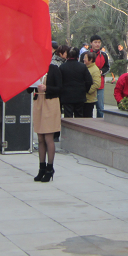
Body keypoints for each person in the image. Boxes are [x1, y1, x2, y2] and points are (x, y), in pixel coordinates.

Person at [33, 45, 66, 183]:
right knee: (40, 138)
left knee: (48, 138)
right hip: (39, 102)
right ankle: (41, 168)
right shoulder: (35, 70)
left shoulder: (54, 69)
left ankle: (50, 168)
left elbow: (60, 88)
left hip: (50, 103)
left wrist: (47, 88)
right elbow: (29, 89)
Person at [79, 35, 109, 118]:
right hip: (87, 86)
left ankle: (100, 123)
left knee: (100, 107)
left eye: (99, 42)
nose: (97, 44)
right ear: (91, 43)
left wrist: (102, 71)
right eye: (95, 42)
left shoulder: (104, 55)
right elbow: (80, 67)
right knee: (87, 108)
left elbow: (107, 67)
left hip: (99, 85)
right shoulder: (84, 55)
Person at [60, 47, 93, 118]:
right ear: (78, 56)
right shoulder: (82, 67)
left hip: (66, 96)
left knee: (68, 116)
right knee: (79, 116)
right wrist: (85, 90)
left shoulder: (62, 67)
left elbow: (59, 81)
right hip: (80, 95)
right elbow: (89, 81)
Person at [83, 51, 101, 118]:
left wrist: (88, 91)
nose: (83, 59)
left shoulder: (95, 70)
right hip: (83, 98)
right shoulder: (85, 67)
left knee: (87, 117)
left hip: (89, 99)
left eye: (85, 58)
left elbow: (97, 84)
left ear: (91, 60)